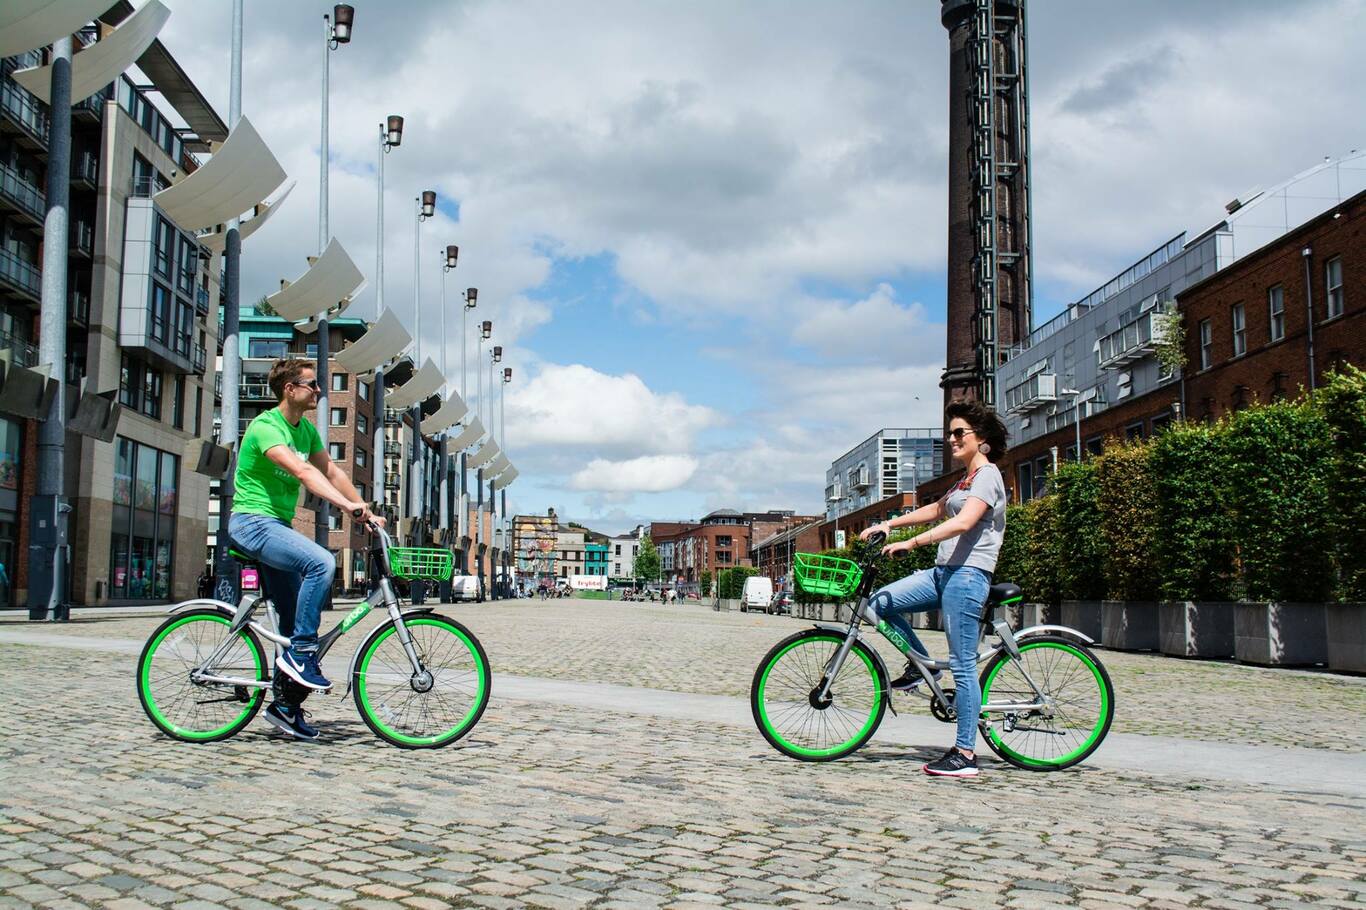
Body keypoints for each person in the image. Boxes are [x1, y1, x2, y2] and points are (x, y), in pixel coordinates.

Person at [228, 358, 384, 741]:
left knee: (290, 619)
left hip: (276, 527)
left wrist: (364, 510)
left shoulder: (307, 431)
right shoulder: (266, 427)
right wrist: (345, 507)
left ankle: (285, 707)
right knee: (322, 562)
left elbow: (331, 471)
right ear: (289, 389)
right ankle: (302, 654)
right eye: (312, 384)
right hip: (252, 522)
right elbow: (303, 472)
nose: (318, 391)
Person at [858, 399, 1007, 779]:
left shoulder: (988, 476)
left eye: (959, 433)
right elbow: (938, 510)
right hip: (943, 573)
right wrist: (889, 525)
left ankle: (965, 754)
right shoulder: (965, 479)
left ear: (981, 437)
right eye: (950, 433)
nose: (952, 439)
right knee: (878, 603)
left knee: (963, 664)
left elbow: (964, 522)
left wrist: (912, 543)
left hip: (968, 576)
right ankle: (922, 666)